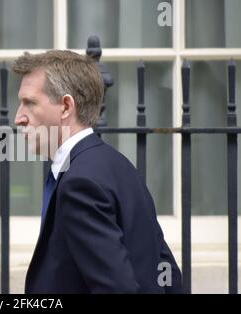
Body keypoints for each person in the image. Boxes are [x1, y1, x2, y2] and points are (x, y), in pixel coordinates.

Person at [13, 50, 182, 293]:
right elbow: (166, 271)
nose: (19, 117)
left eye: (29, 102)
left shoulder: (79, 183)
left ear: (66, 107)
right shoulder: (118, 165)